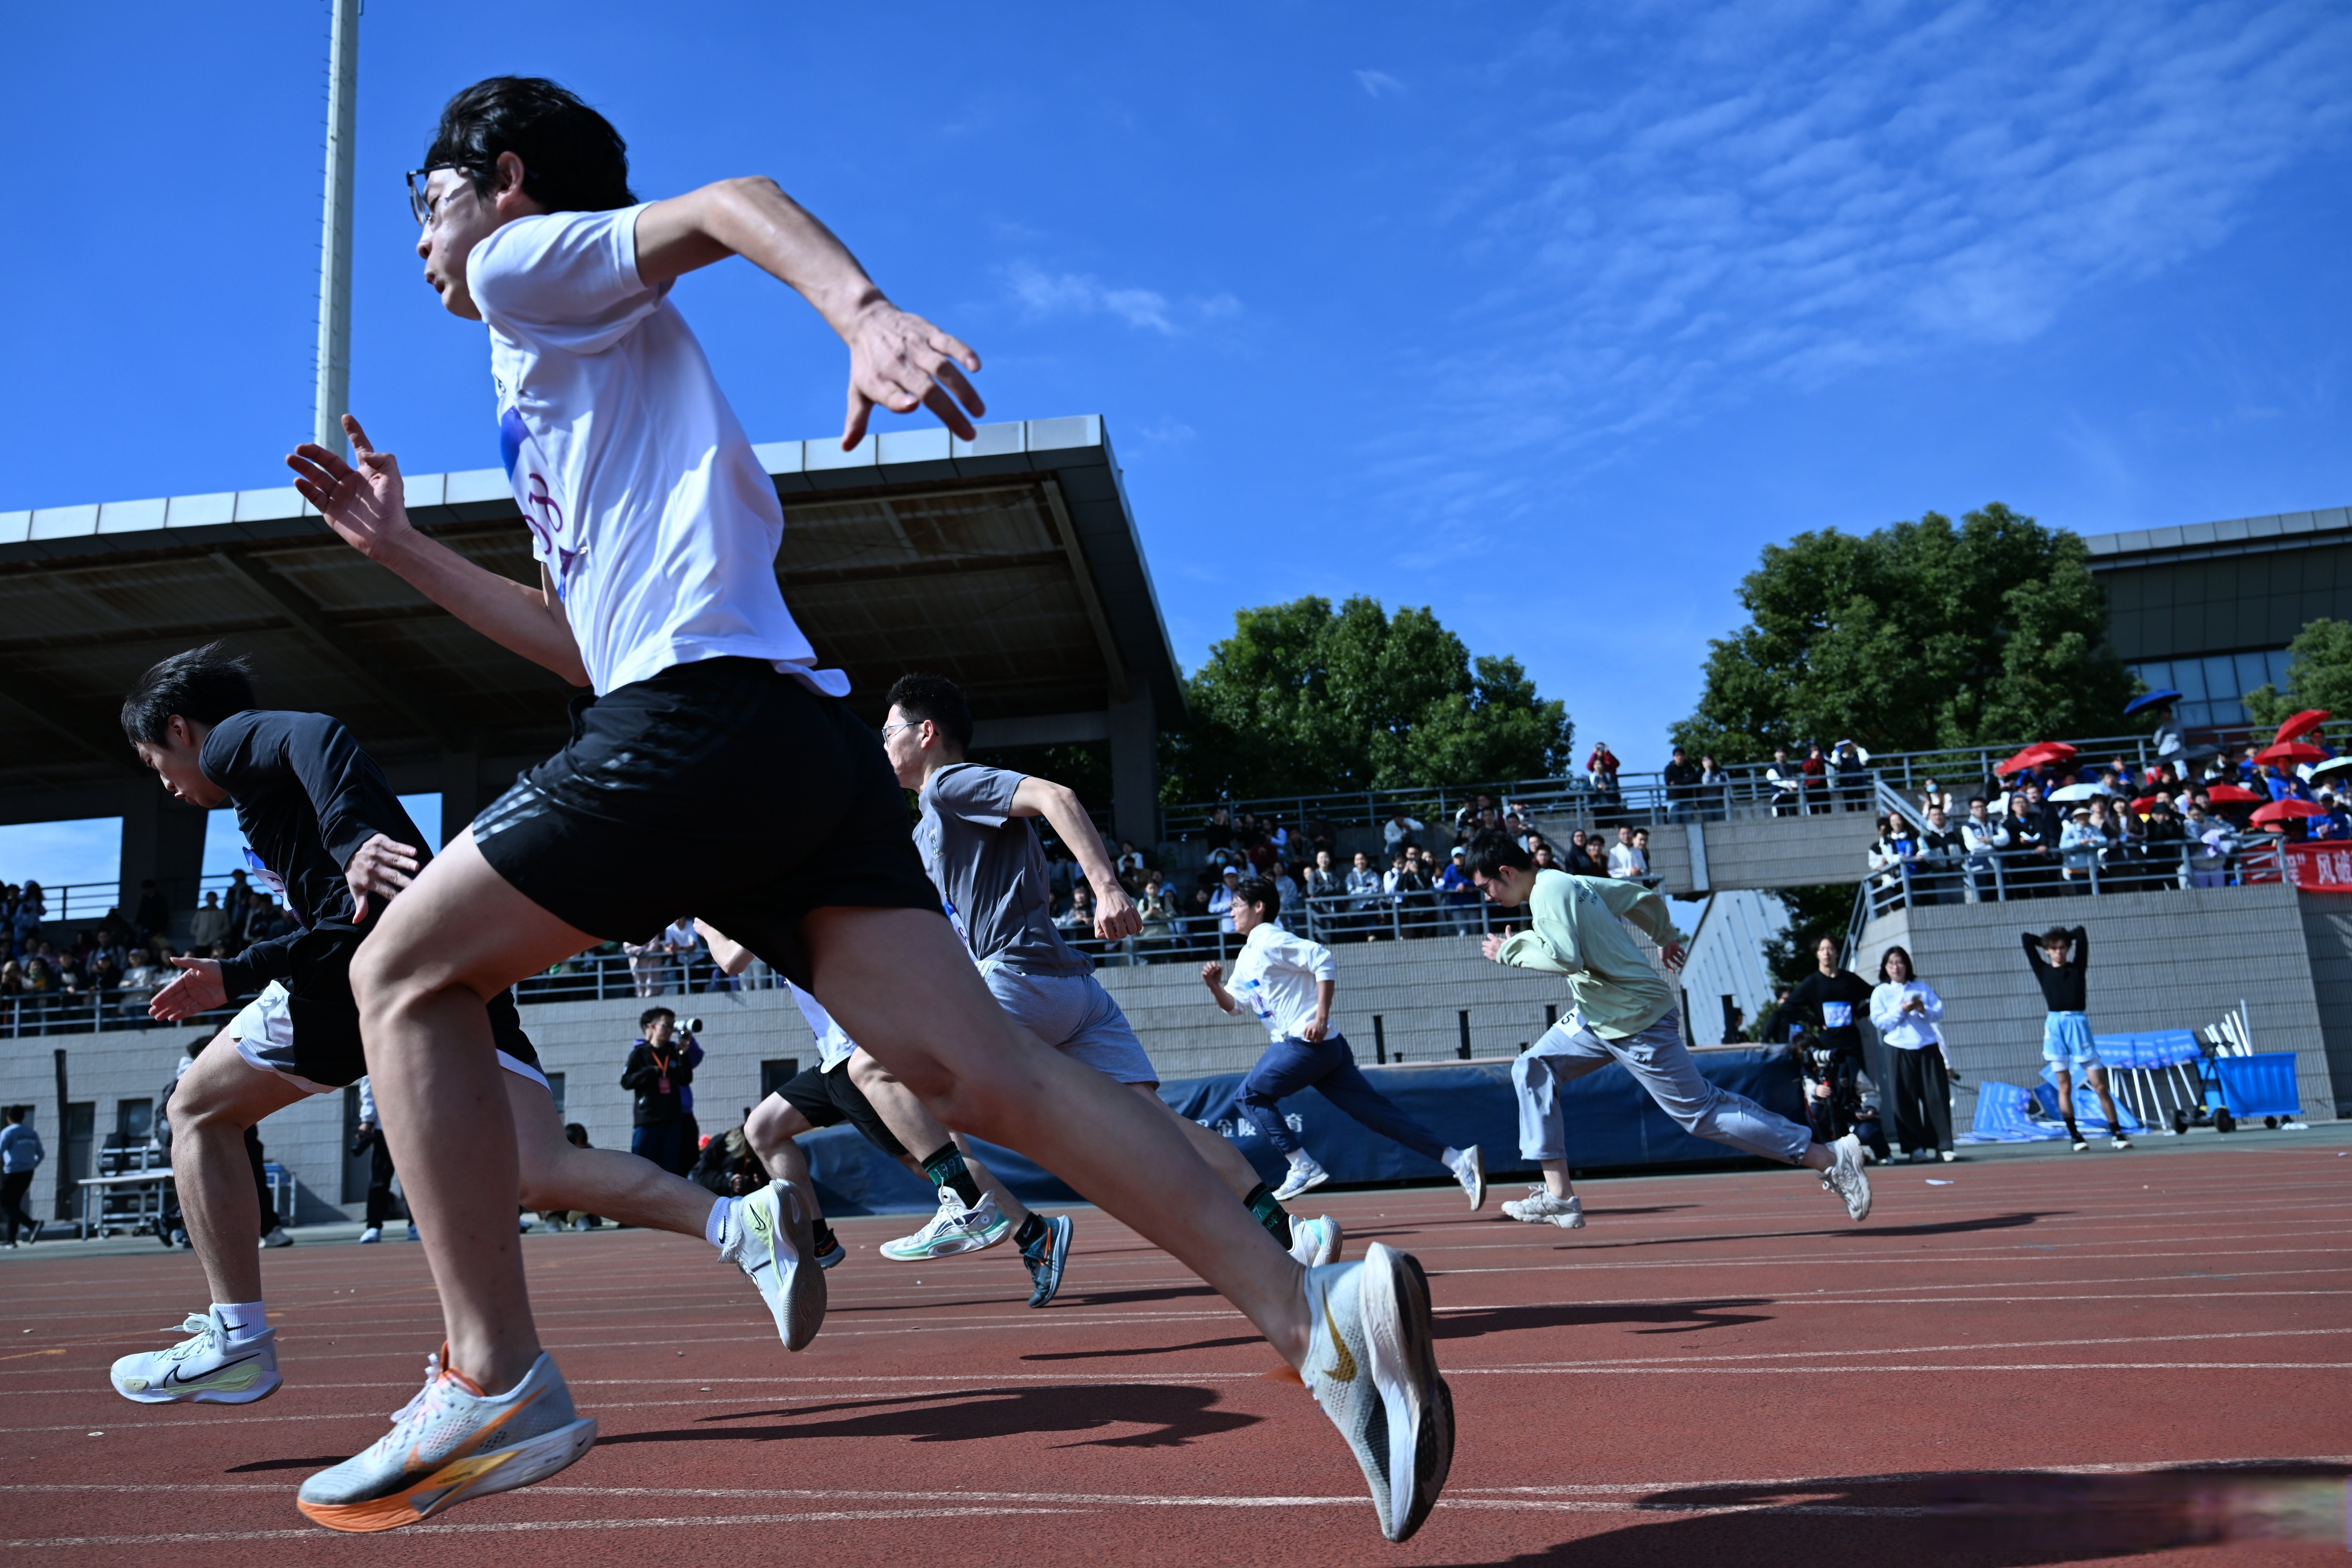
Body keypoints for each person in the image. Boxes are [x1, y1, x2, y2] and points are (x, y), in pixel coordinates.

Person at [287, 81, 1445, 1542]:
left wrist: (861, 312)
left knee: (396, 968)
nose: (418, 239)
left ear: (501, 179)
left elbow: (727, 199)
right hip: (788, 745)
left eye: (425, 197)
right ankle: (1314, 1311)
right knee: (987, 1082)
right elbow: (586, 642)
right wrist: (404, 553)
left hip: (699, 727)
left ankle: (493, 1371)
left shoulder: (529, 267)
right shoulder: (575, 363)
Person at [107, 646, 816, 1430]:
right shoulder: (268, 792)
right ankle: (740, 1223)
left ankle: (239, 1339)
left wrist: (335, 856)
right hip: (447, 964)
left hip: (377, 972)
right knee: (543, 1172)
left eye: (157, 763)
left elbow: (315, 734)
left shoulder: (234, 743)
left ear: (180, 729)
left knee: (198, 1109)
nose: (168, 785)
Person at [881, 673, 1343, 1258]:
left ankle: (969, 1201)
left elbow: (1057, 796)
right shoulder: (929, 826)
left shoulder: (949, 784)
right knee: (1159, 1124)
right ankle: (1293, 1233)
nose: (883, 744)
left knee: (877, 1067)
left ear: (926, 732)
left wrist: (1106, 886)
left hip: (1015, 981)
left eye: (888, 731)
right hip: (1071, 988)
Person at [1461, 833, 1871, 1231]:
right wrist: (1665, 937)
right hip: (1599, 1015)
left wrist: (1509, 951)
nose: (1488, 897)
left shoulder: (1549, 894)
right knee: (1533, 1066)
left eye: (1486, 887)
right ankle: (1561, 1197)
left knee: (1702, 1114)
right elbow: (1638, 897)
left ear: (1505, 871)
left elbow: (1566, 956)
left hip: (1636, 1019)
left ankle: (1831, 1158)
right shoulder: (1569, 880)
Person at [1202, 876, 1485, 1209]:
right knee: (1377, 1115)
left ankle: (1302, 1165)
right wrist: (1215, 986)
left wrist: (1320, 1016)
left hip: (1306, 1043)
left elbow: (1322, 958)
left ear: (1259, 907)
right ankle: (1457, 1159)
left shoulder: (1269, 940)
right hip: (1326, 1050)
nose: (1231, 912)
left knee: (1248, 1095)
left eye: (1236, 905)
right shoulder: (1248, 954)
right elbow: (1235, 1007)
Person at [2024, 926, 2129, 1152]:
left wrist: (2067, 938)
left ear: (2068, 949)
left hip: (2079, 1025)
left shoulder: (2077, 968)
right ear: (2047, 951)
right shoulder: (2043, 970)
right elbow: (2026, 939)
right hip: (2056, 1026)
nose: (2059, 952)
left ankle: (2117, 1132)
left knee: (2100, 1085)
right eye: (2054, 949)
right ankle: (2075, 1136)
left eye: (2062, 948)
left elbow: (2081, 933)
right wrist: (2046, 942)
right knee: (2065, 1085)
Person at [1784, 937, 1873, 1149]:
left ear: (1837, 953)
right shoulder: (1813, 983)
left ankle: (1867, 1133)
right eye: (1822, 949)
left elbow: (1875, 995)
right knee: (1834, 1090)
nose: (1827, 953)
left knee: (1858, 1085)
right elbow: (1789, 1007)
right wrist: (1816, 1021)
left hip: (1852, 1040)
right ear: (1817, 954)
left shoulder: (1849, 980)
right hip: (1828, 1046)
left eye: (1831, 949)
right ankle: (1839, 1141)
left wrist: (1859, 1014)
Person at [1869, 947, 1952, 1162]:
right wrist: (1902, 1009)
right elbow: (1880, 1021)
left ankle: (1943, 1146)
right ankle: (1915, 1148)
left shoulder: (1921, 987)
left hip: (1927, 1045)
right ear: (1885, 968)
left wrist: (1923, 1009)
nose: (1896, 968)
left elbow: (1938, 1012)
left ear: (1907, 965)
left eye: (1900, 963)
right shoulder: (1881, 992)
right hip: (1898, 1047)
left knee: (1936, 1097)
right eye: (1891, 964)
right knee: (1905, 1099)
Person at [621, 1007, 696, 1176]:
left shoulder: (675, 1052)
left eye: (672, 1026)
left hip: (672, 1119)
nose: (670, 1030)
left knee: (669, 1171)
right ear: (653, 1026)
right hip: (648, 1119)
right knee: (641, 1168)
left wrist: (684, 1054)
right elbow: (626, 1081)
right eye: (666, 1025)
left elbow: (686, 1079)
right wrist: (649, 1072)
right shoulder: (640, 1053)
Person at [350, 1075, 401, 1243]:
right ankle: (373, 1226)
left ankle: (416, 1225)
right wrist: (367, 1120)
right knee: (379, 1180)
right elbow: (368, 1084)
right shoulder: (380, 1051)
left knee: (419, 1179)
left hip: (414, 1123)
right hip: (384, 1126)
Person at [0, 1106, 42, 1247]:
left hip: (13, 1172)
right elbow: (41, 1154)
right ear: (23, 1117)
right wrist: (31, 1165)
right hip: (28, 1173)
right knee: (14, 1204)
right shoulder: (31, 1133)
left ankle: (32, 1224)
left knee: (5, 1204)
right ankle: (11, 1239)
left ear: (9, 1118)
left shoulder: (8, 1132)